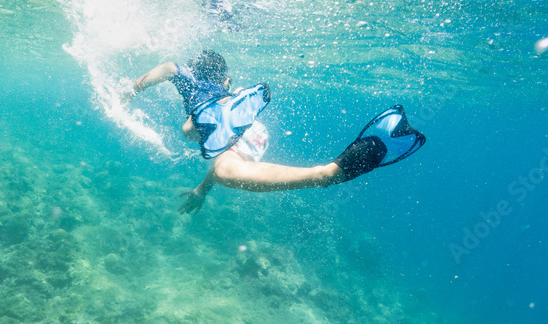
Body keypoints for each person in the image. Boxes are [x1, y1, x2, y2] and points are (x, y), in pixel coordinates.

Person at [122, 51, 424, 214]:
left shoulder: (192, 87)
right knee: (222, 163)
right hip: (249, 129)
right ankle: (328, 172)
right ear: (225, 80)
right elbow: (223, 161)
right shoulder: (215, 91)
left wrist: (135, 89)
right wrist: (202, 189)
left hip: (237, 127)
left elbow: (171, 70)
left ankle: (324, 174)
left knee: (209, 148)